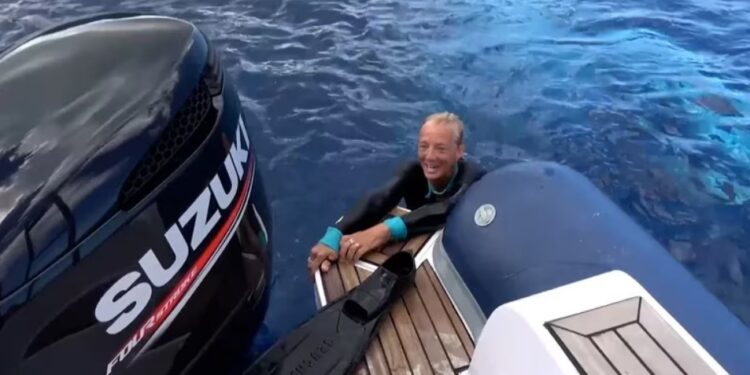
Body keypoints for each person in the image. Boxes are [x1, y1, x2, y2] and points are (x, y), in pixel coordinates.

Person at [307, 112, 486, 278]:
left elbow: (447, 208)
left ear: (460, 150)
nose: (430, 157)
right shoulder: (413, 171)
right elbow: (381, 197)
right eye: (424, 146)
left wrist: (382, 232)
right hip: (416, 245)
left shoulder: (473, 177)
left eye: (440, 149)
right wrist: (336, 235)